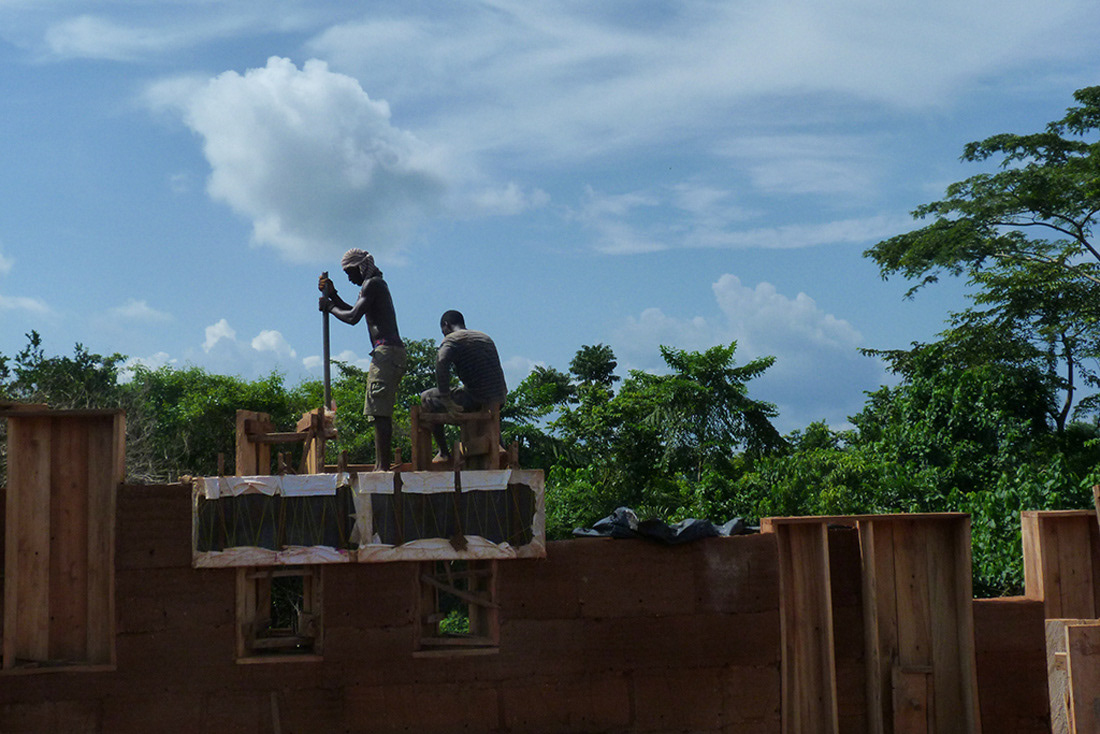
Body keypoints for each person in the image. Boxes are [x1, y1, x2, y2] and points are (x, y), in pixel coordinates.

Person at [318, 249, 406, 471]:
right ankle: (380, 465)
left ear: (360, 267)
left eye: (350, 272)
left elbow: (352, 317)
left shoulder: (372, 284)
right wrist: (333, 295)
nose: (349, 278)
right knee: (378, 410)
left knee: (379, 411)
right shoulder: (373, 285)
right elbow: (353, 310)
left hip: (386, 352)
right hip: (387, 352)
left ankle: (382, 467)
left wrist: (329, 307)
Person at [421, 310, 507, 460]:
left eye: (443, 331)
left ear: (446, 325)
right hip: (499, 398)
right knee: (484, 407)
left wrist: (446, 400)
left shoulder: (453, 339)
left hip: (476, 399)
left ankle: (443, 453)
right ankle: (498, 444)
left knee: (426, 397)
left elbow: (441, 361)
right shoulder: (484, 337)